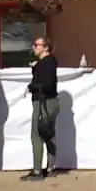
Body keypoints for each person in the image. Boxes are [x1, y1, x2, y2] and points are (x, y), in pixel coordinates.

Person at [23, 36, 59, 181]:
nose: (34, 47)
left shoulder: (46, 63)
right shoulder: (48, 62)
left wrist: (31, 87)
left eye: (37, 45)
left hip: (43, 102)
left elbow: (47, 84)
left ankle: (37, 171)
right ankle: (50, 168)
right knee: (49, 133)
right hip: (51, 102)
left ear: (45, 47)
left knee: (37, 135)